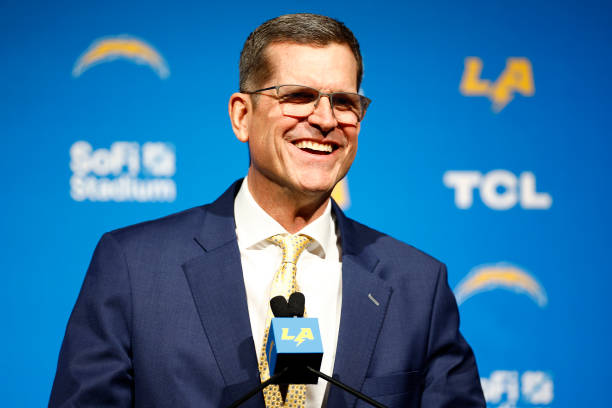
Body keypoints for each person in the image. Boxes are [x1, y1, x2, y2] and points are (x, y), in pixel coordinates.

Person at [50, 13, 485, 408]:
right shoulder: (134, 266)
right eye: (298, 96)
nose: (325, 120)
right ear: (242, 116)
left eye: (345, 102)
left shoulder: (419, 286)